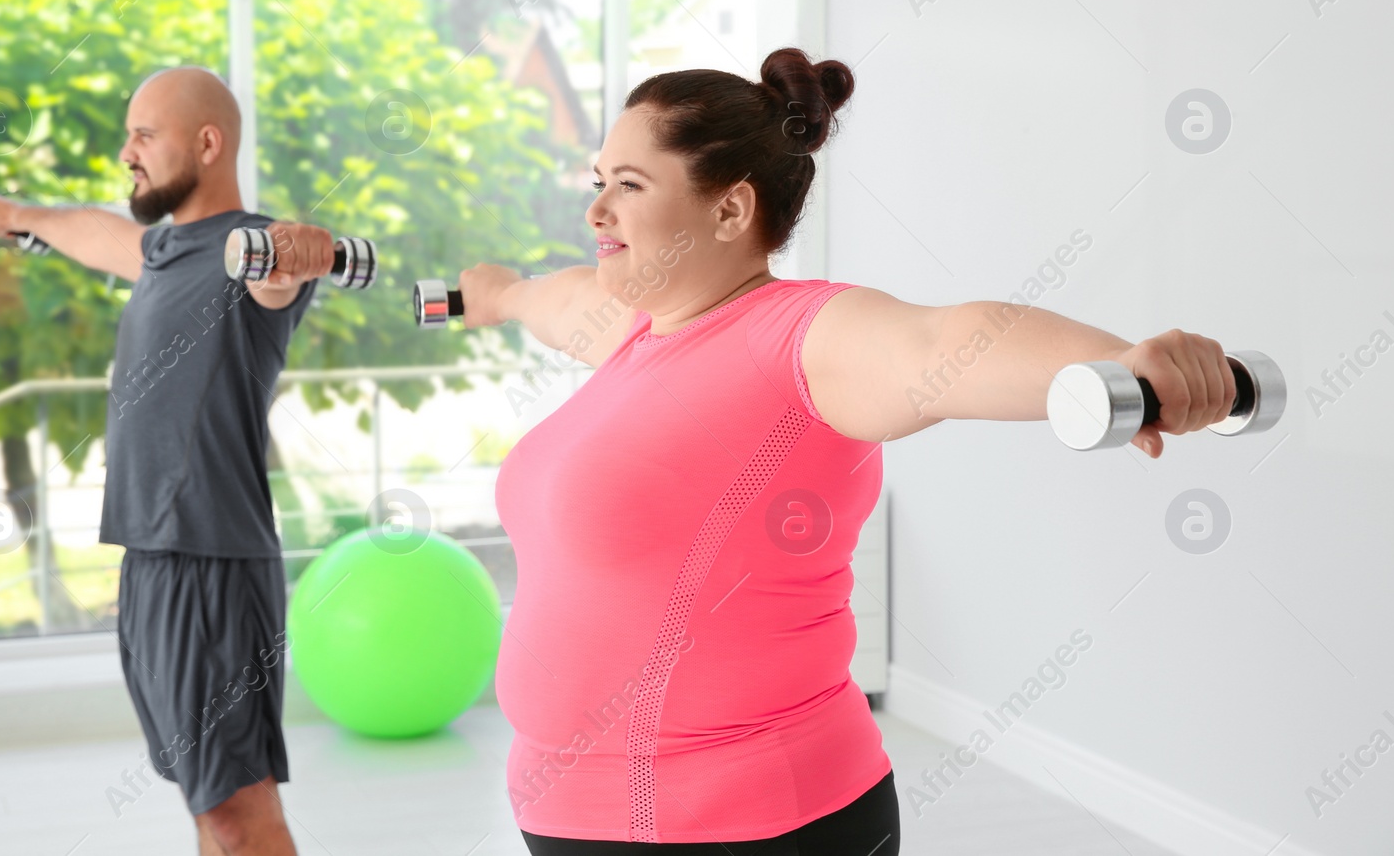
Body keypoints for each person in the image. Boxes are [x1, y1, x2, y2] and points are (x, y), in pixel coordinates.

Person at [453, 48, 1238, 853]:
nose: (596, 212)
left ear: (728, 212)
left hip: (752, 820)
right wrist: (499, 294)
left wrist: (1123, 365)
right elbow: (558, 298)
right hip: (568, 815)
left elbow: (945, 339)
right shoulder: (634, 333)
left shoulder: (803, 337)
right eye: (598, 182)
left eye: (629, 184)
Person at [0, 66, 336, 856]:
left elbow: (277, 279)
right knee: (210, 810)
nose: (126, 151)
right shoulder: (166, 249)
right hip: (151, 560)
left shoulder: (249, 253)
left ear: (208, 143)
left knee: (239, 814)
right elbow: (96, 232)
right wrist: (11, 214)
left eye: (144, 134)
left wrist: (294, 252)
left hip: (210, 560)